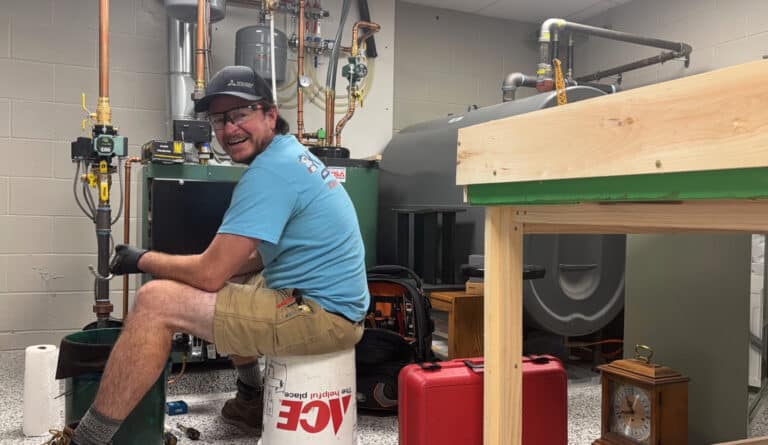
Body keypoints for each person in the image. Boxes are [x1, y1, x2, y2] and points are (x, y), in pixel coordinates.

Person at [46, 65, 369, 445]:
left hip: (322, 316)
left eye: (240, 114)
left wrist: (141, 258)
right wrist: (209, 272)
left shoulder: (270, 173)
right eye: (219, 119)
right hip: (328, 303)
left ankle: (86, 440)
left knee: (155, 301)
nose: (229, 129)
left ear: (270, 115)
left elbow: (209, 273)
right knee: (238, 276)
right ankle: (251, 396)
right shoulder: (291, 155)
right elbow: (241, 264)